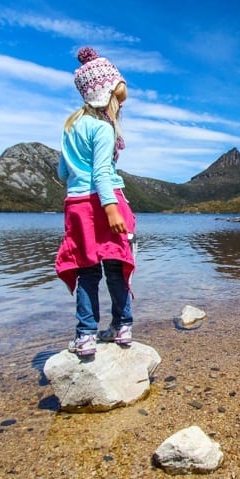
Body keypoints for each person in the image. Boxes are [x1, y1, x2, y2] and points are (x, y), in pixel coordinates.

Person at [55, 46, 136, 357]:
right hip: (104, 204)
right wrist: (111, 208)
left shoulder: (71, 126)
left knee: (87, 271)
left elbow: (63, 171)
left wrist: (76, 168)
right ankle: (122, 326)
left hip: (77, 207)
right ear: (106, 92)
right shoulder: (103, 128)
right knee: (115, 268)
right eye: (120, 94)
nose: (122, 101)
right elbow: (102, 172)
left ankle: (85, 335)